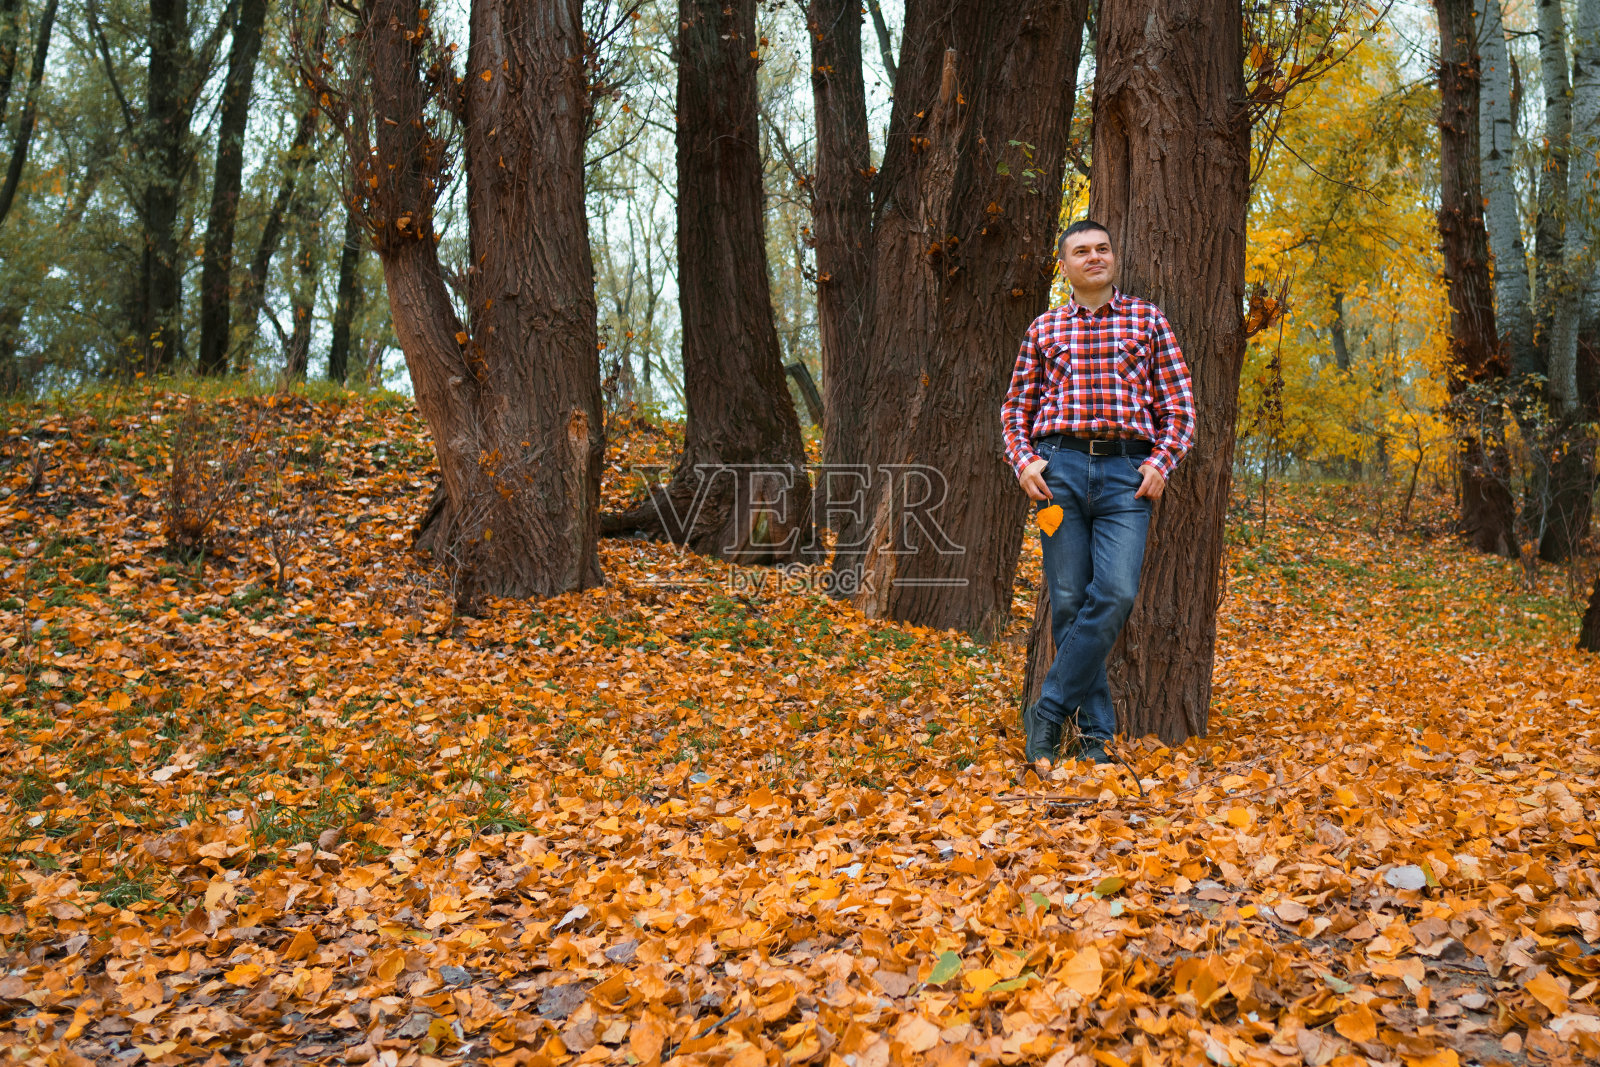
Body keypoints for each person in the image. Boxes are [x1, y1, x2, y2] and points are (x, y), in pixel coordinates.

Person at [999, 219, 1196, 769]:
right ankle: (1096, 738)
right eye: (1081, 251)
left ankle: (1049, 709)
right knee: (1066, 602)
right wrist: (1023, 461)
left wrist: (1160, 462)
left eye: (1102, 248)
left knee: (1113, 593)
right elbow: (1015, 409)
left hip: (1126, 477)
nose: (1094, 257)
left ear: (1114, 258)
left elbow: (1180, 408)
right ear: (1064, 265)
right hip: (1057, 475)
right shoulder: (1044, 328)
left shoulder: (1148, 320)